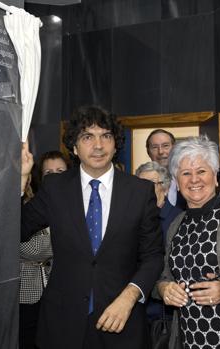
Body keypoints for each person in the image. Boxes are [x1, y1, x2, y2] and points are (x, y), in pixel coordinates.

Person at [21, 106, 163, 349]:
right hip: (62, 327)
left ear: (116, 144)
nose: (98, 145)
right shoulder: (55, 188)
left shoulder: (139, 192)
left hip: (121, 324)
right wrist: (21, 180)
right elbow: (17, 229)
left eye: (106, 136)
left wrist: (129, 297)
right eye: (88, 137)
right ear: (74, 148)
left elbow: (153, 256)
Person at [155, 136, 220, 349]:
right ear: (176, 181)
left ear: (215, 176)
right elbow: (164, 276)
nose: (194, 179)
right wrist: (164, 288)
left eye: (201, 171)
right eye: (186, 173)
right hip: (189, 339)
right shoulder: (176, 224)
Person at [19, 151, 69, 349]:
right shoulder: (32, 206)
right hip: (28, 291)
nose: (55, 176)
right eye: (48, 172)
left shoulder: (82, 205)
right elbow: (30, 248)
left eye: (60, 171)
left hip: (62, 293)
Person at [135, 161, 183, 322]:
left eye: (149, 184)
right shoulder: (131, 219)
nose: (142, 189)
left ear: (166, 187)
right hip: (135, 305)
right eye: (138, 184)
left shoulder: (179, 219)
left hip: (163, 312)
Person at [146, 129, 186, 208]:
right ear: (148, 152)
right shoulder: (142, 183)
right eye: (154, 147)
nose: (160, 151)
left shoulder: (189, 177)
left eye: (165, 146)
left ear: (174, 148)